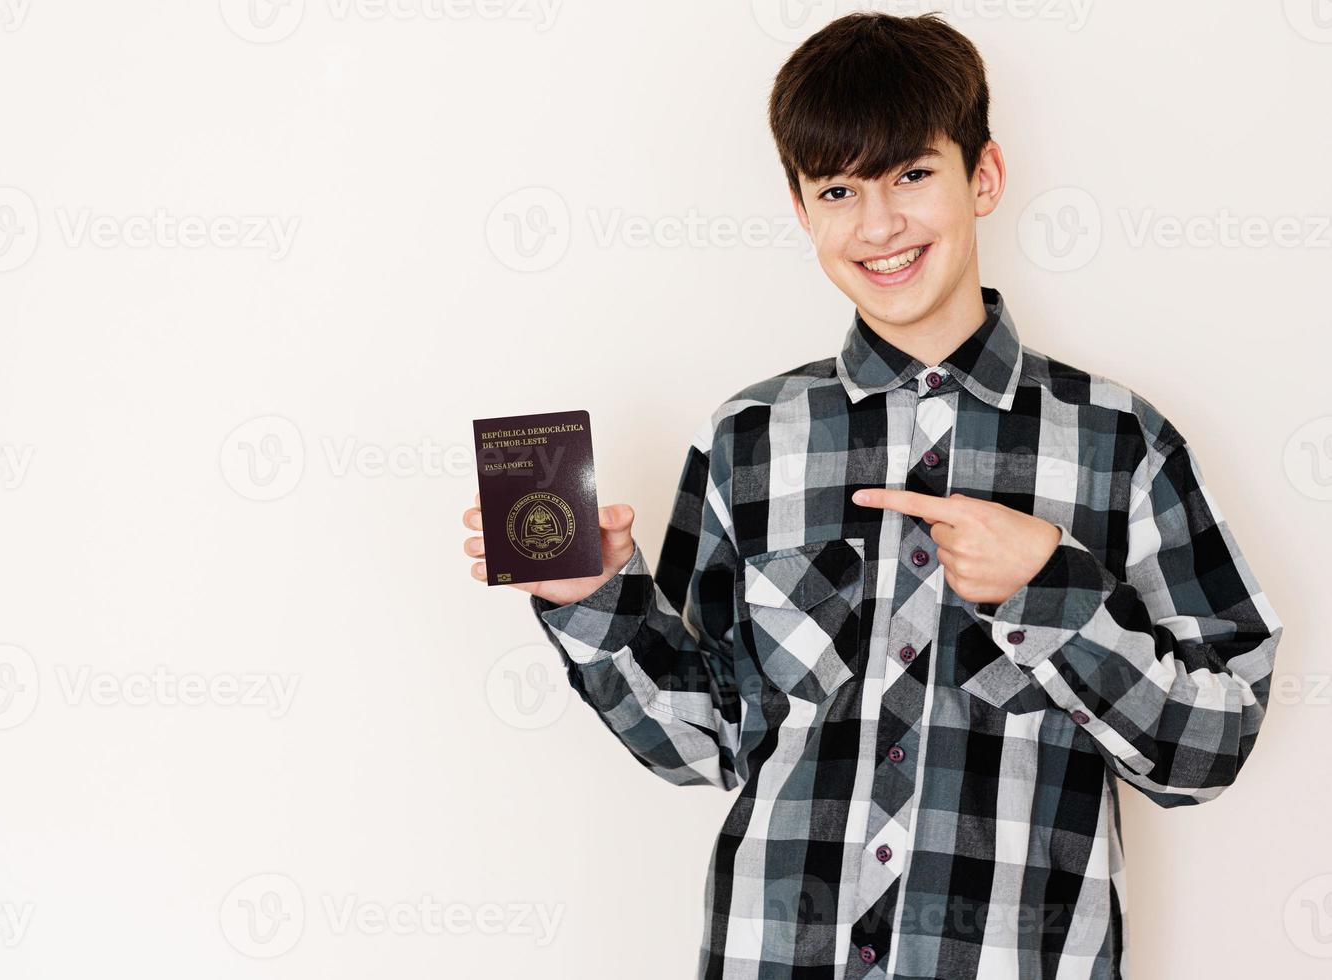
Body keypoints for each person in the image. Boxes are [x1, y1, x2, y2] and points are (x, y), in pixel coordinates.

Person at [462, 11, 1282, 978]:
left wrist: (1050, 590)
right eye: (839, 188)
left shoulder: (1120, 442)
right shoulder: (747, 440)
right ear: (802, 209)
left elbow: (1211, 748)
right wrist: (595, 601)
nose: (878, 224)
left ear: (984, 176)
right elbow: (706, 742)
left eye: (911, 175)